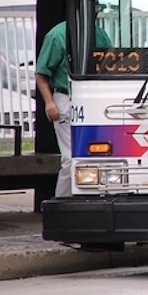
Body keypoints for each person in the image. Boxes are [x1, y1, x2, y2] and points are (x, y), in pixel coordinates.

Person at [36, 18, 111, 198]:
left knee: (96, 155)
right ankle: (61, 203)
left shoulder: (99, 33)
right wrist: (49, 102)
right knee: (71, 158)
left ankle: (93, 198)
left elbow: (112, 62)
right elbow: (41, 74)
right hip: (65, 97)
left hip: (93, 97)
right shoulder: (56, 36)